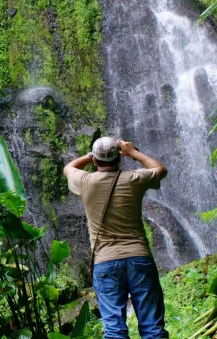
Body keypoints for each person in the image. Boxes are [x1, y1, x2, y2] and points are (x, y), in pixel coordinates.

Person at [63, 136, 169, 339]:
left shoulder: (85, 181)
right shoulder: (133, 178)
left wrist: (90, 154)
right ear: (119, 159)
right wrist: (132, 151)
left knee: (114, 331)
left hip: (106, 262)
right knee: (153, 328)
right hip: (139, 258)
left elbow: (69, 168)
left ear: (95, 161)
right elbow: (160, 169)